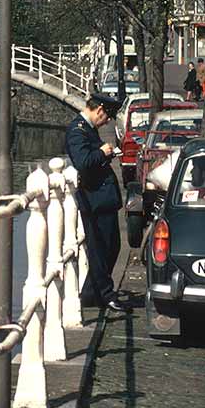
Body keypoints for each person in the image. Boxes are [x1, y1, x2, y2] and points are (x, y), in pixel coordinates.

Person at [65, 93, 131, 312]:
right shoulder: (78, 131)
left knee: (110, 246)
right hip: (94, 199)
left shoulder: (88, 129)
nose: (108, 121)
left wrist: (106, 153)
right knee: (101, 248)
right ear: (100, 110)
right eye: (108, 116)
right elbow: (83, 162)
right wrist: (102, 152)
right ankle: (105, 294)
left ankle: (90, 294)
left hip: (102, 198)